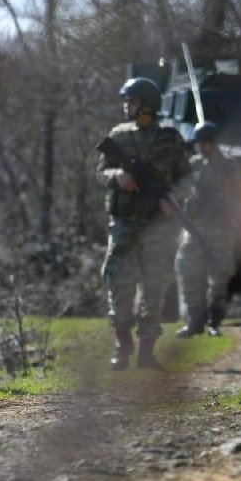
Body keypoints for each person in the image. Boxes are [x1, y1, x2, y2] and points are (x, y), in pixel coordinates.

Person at [97, 76, 190, 370]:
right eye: (126, 101)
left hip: (158, 226)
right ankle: (122, 346)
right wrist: (117, 176)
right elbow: (101, 172)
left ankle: (147, 352)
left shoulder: (170, 138)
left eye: (133, 101)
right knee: (119, 284)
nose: (127, 106)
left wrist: (172, 196)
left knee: (155, 287)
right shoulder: (118, 135)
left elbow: (187, 176)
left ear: (147, 106)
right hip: (124, 223)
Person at [174, 121, 241, 338]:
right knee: (186, 268)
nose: (201, 146)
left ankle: (214, 319)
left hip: (220, 226)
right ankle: (194, 321)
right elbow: (181, 188)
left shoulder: (227, 165)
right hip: (194, 226)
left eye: (204, 143)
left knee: (220, 275)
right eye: (199, 143)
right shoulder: (193, 164)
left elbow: (235, 193)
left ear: (212, 142)